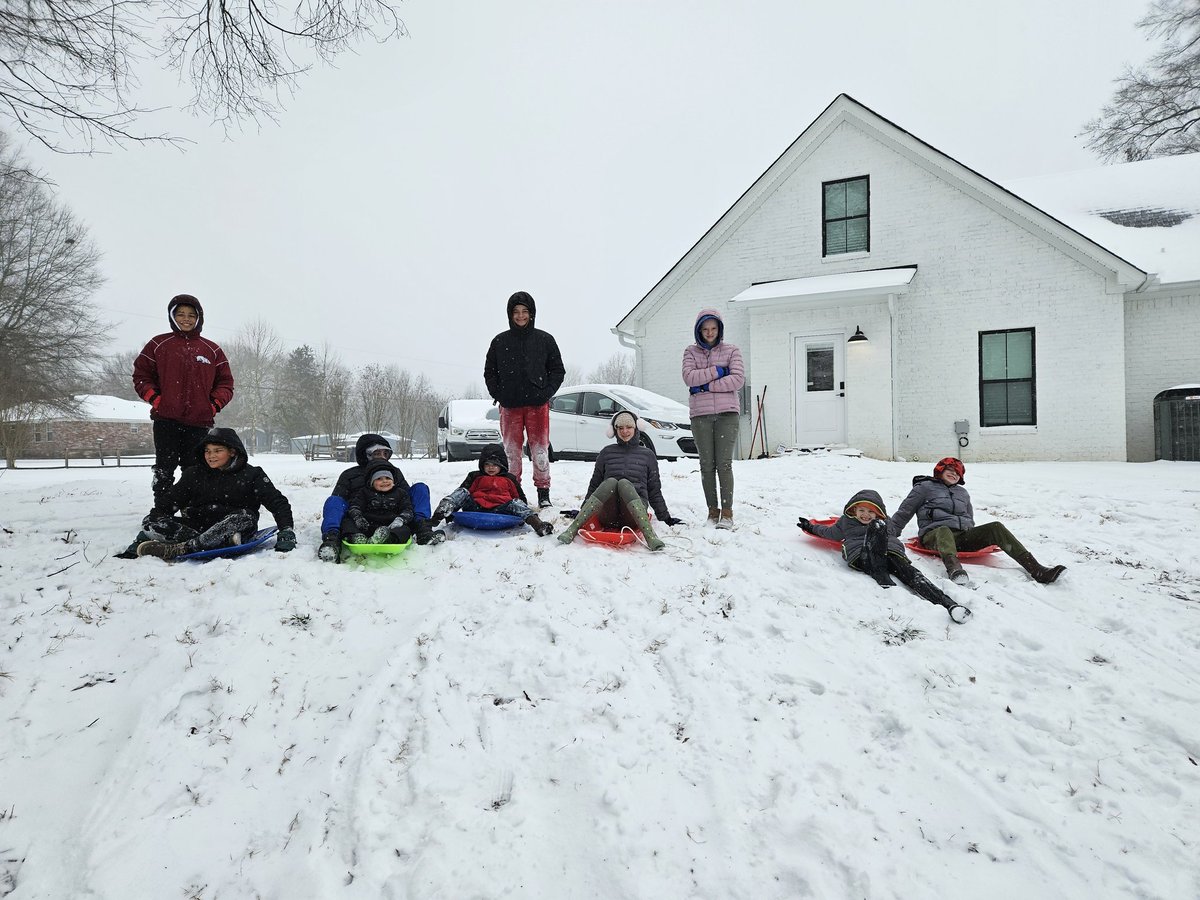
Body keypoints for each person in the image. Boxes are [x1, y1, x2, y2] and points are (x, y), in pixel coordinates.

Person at [132, 294, 235, 523]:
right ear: (172, 316)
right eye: (180, 314)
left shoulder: (212, 350)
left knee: (195, 470)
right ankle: (161, 512)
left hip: (199, 423)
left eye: (191, 315)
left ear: (199, 318)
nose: (186, 319)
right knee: (164, 469)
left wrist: (213, 405)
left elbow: (226, 384)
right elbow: (141, 376)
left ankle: (192, 511)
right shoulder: (158, 345)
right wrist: (157, 400)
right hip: (166, 420)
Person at [121, 427, 296, 561]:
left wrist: (286, 529)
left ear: (232, 451)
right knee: (151, 521)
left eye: (217, 451)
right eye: (207, 451)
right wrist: (149, 529)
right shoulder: (194, 474)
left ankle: (183, 548)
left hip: (235, 524)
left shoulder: (252, 475)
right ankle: (218, 542)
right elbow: (169, 502)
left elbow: (277, 502)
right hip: (197, 526)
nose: (210, 456)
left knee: (245, 516)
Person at [888, 457, 1067, 585]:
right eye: (949, 470)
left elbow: (969, 518)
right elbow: (904, 511)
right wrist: (889, 534)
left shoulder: (962, 493)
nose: (953, 474)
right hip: (934, 536)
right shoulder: (924, 488)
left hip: (960, 537)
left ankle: (1037, 570)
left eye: (957, 473)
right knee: (944, 530)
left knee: (995, 527)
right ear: (940, 471)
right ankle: (955, 570)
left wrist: (973, 535)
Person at [798, 491, 971, 622]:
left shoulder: (885, 522)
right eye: (862, 510)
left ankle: (949, 604)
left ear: (879, 513)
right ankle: (881, 575)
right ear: (854, 510)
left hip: (892, 554)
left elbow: (892, 534)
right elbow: (828, 532)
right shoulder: (846, 522)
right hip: (863, 555)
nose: (865, 515)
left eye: (871, 512)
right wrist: (810, 527)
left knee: (913, 575)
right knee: (876, 539)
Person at [483, 290, 566, 509]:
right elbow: (489, 372)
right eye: (516, 312)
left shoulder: (545, 340)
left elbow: (558, 371)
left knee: (540, 450)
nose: (520, 316)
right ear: (510, 315)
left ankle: (543, 493)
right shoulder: (500, 341)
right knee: (511, 452)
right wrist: (499, 394)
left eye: (524, 311)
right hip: (510, 407)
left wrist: (545, 392)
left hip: (537, 406)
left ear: (532, 314)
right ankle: (513, 492)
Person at [558, 411, 682, 551]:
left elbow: (654, 490)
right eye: (620, 428)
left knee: (624, 484)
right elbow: (595, 485)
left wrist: (665, 517)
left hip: (634, 516)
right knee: (610, 482)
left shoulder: (647, 455)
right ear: (614, 430)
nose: (624, 431)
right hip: (608, 515)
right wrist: (583, 510)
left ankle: (651, 537)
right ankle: (572, 530)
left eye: (629, 427)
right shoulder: (606, 453)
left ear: (636, 428)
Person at [317, 434, 439, 561]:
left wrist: (403, 517)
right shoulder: (349, 474)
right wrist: (356, 514)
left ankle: (423, 530)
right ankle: (332, 540)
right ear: (365, 455)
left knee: (420, 488)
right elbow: (339, 503)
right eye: (377, 453)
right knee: (333, 501)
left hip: (392, 518)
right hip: (360, 519)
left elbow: (405, 497)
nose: (381, 457)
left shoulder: (393, 472)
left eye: (385, 453)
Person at [682, 308, 745, 529]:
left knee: (724, 464)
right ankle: (712, 511)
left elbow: (737, 380)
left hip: (727, 414)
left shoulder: (732, 350)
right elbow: (689, 378)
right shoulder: (691, 352)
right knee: (706, 465)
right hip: (701, 415)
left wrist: (706, 385)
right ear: (699, 330)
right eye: (705, 329)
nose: (710, 332)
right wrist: (718, 371)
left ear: (719, 329)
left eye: (713, 328)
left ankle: (727, 513)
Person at [429, 443, 555, 536]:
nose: (491, 468)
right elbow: (461, 494)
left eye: (495, 465)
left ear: (502, 465)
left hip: (501, 509)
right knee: (463, 492)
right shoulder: (475, 476)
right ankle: (441, 512)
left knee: (516, 502)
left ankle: (537, 524)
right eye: (487, 464)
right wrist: (452, 511)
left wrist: (522, 514)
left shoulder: (509, 478)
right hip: (476, 506)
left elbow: (520, 498)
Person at [345, 460, 416, 544]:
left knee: (405, 529)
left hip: (390, 526)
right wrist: (358, 518)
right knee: (347, 522)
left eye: (388, 478)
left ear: (393, 481)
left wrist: (400, 520)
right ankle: (358, 538)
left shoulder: (400, 493)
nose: (384, 481)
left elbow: (407, 510)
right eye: (379, 479)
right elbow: (355, 506)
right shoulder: (364, 492)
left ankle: (388, 539)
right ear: (372, 482)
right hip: (368, 525)